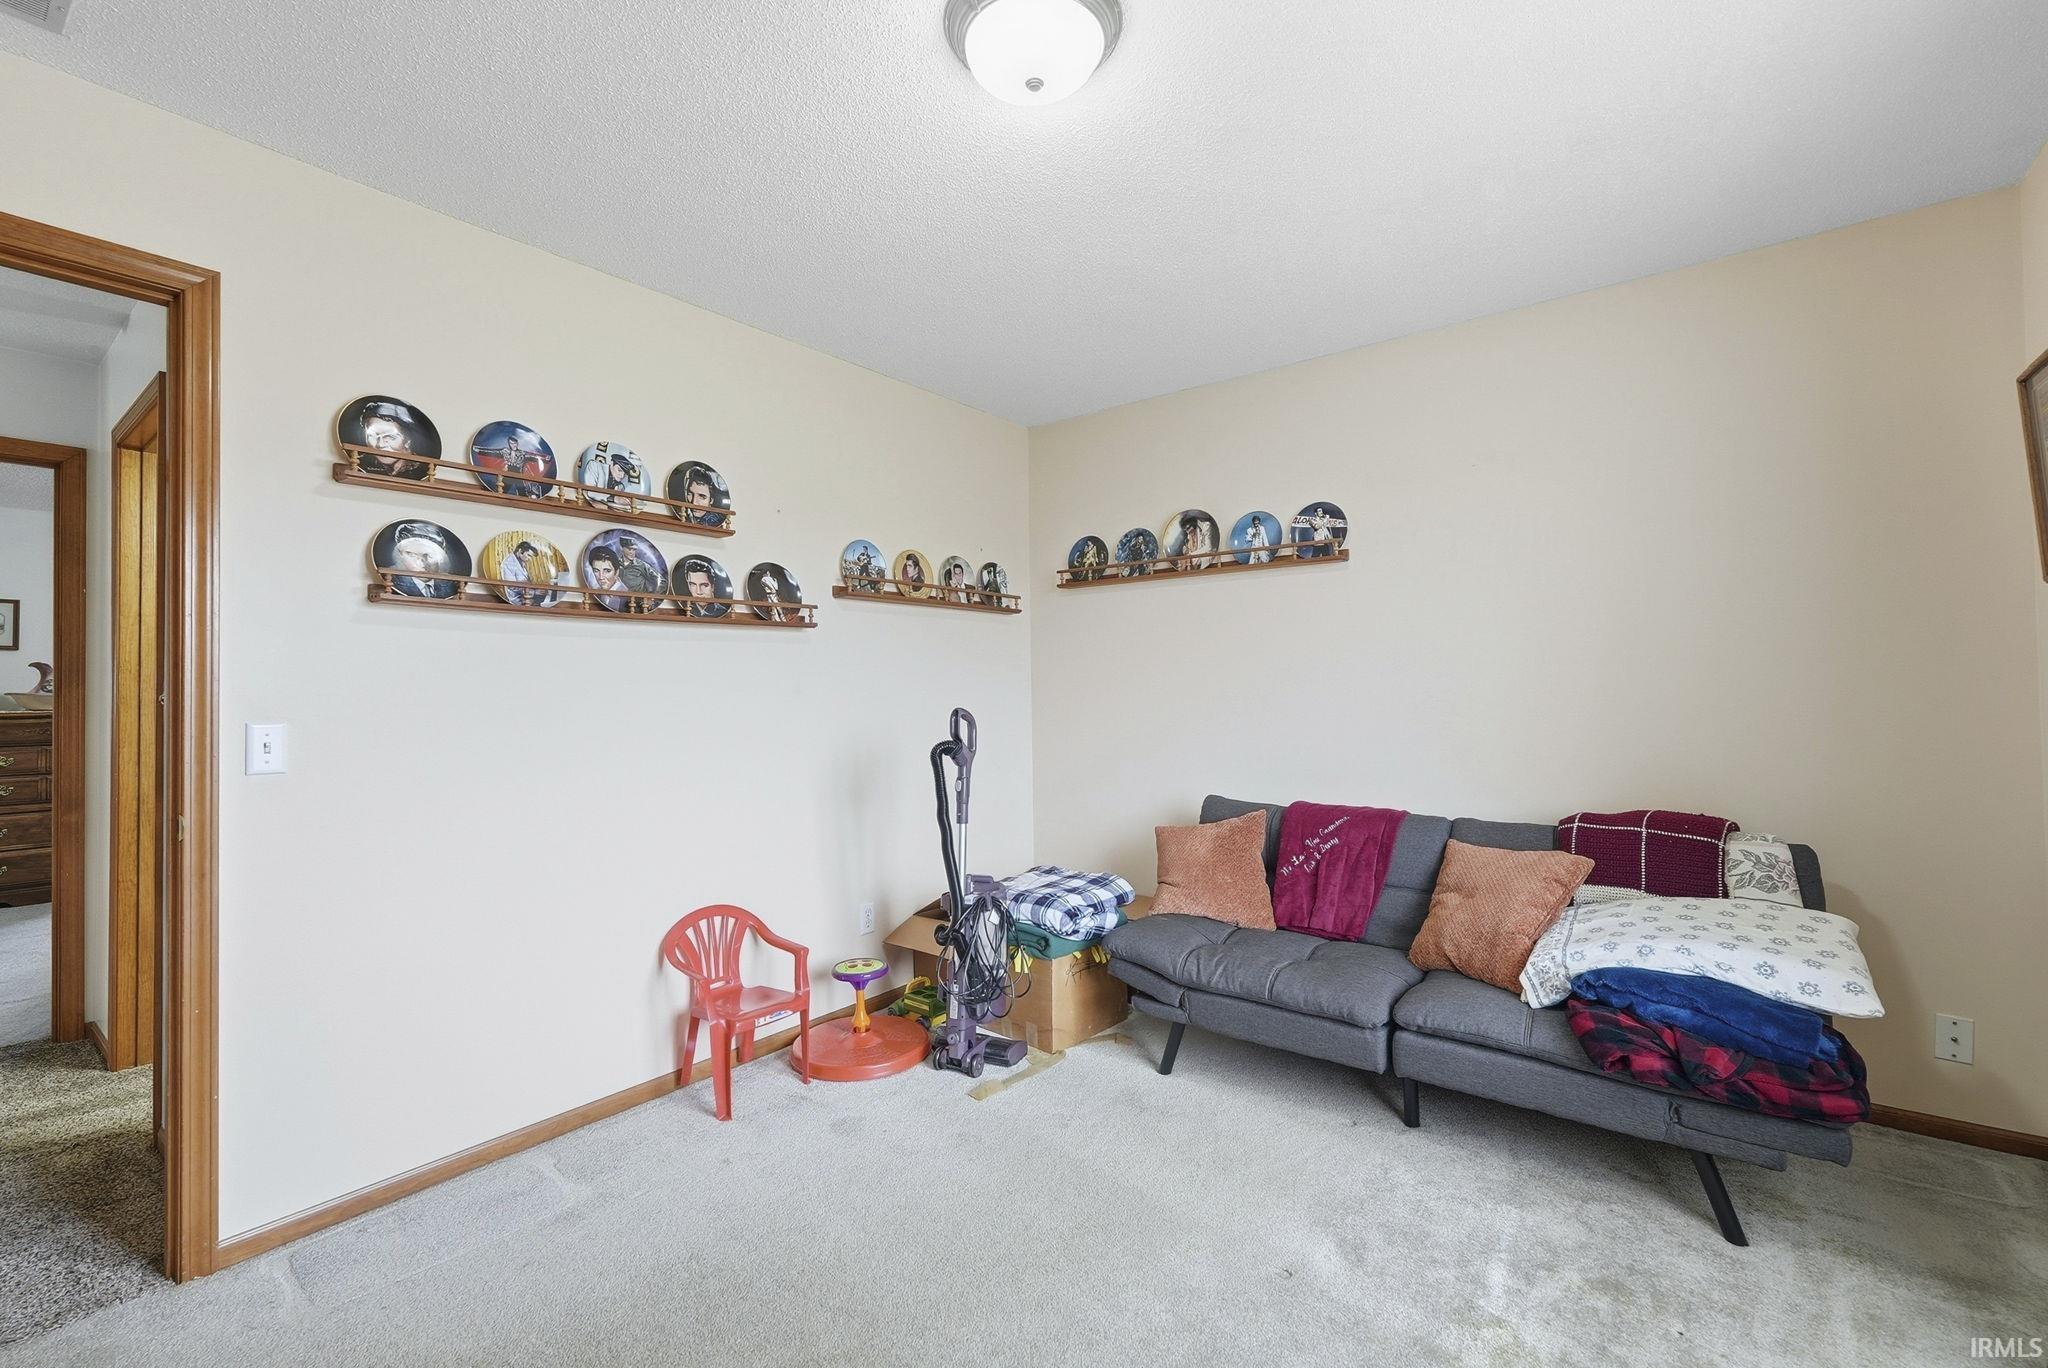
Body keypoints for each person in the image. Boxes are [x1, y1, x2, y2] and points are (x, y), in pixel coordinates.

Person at [355, 404, 429, 479]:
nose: (380, 444)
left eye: (390, 437)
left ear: (408, 441)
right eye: (372, 435)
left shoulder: (423, 469)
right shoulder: (359, 462)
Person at [391, 532, 453, 598]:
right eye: (413, 555)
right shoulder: (392, 580)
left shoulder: (451, 585)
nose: (422, 562)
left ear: (440, 558)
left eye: (429, 555)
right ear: (401, 556)